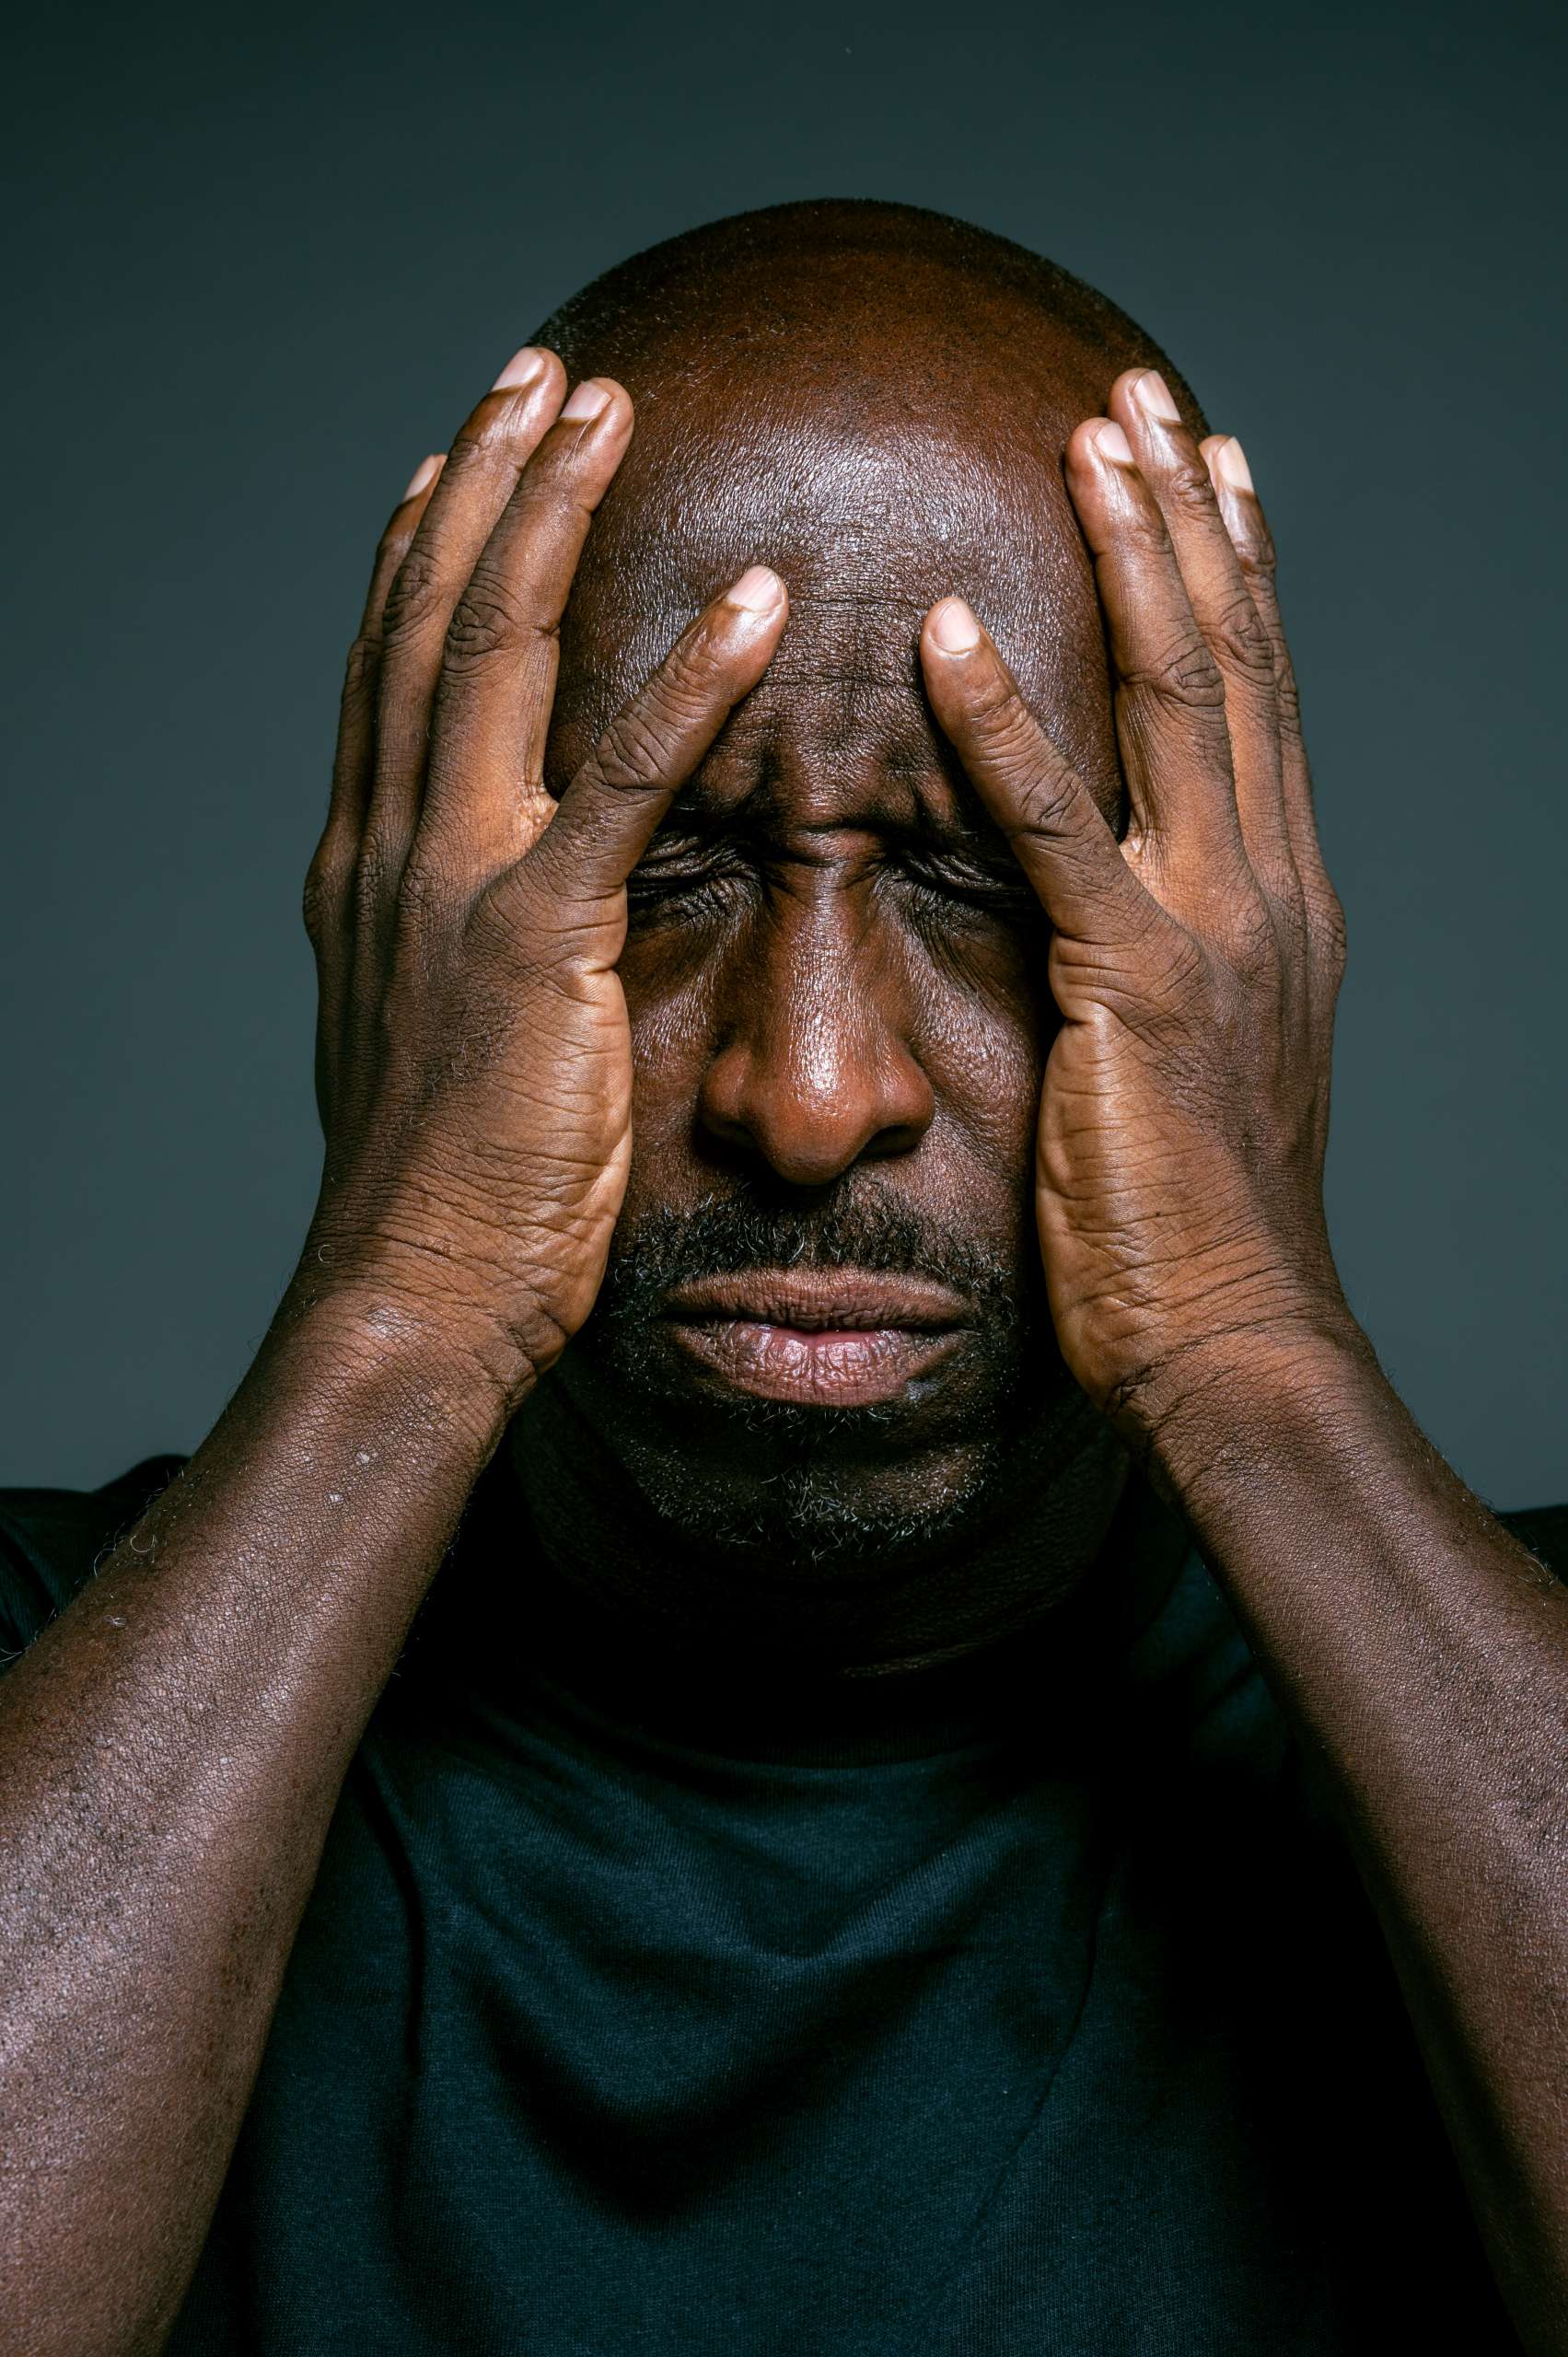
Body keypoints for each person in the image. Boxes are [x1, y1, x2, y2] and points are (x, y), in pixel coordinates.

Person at [0, 197, 1562, 2357]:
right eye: (660, 864)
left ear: (1243, 939)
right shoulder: (48, 1684)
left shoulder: (1509, 1702)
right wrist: (404, 1313)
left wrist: (1252, 1351)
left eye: (984, 875)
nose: (810, 1094)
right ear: (409, 914)